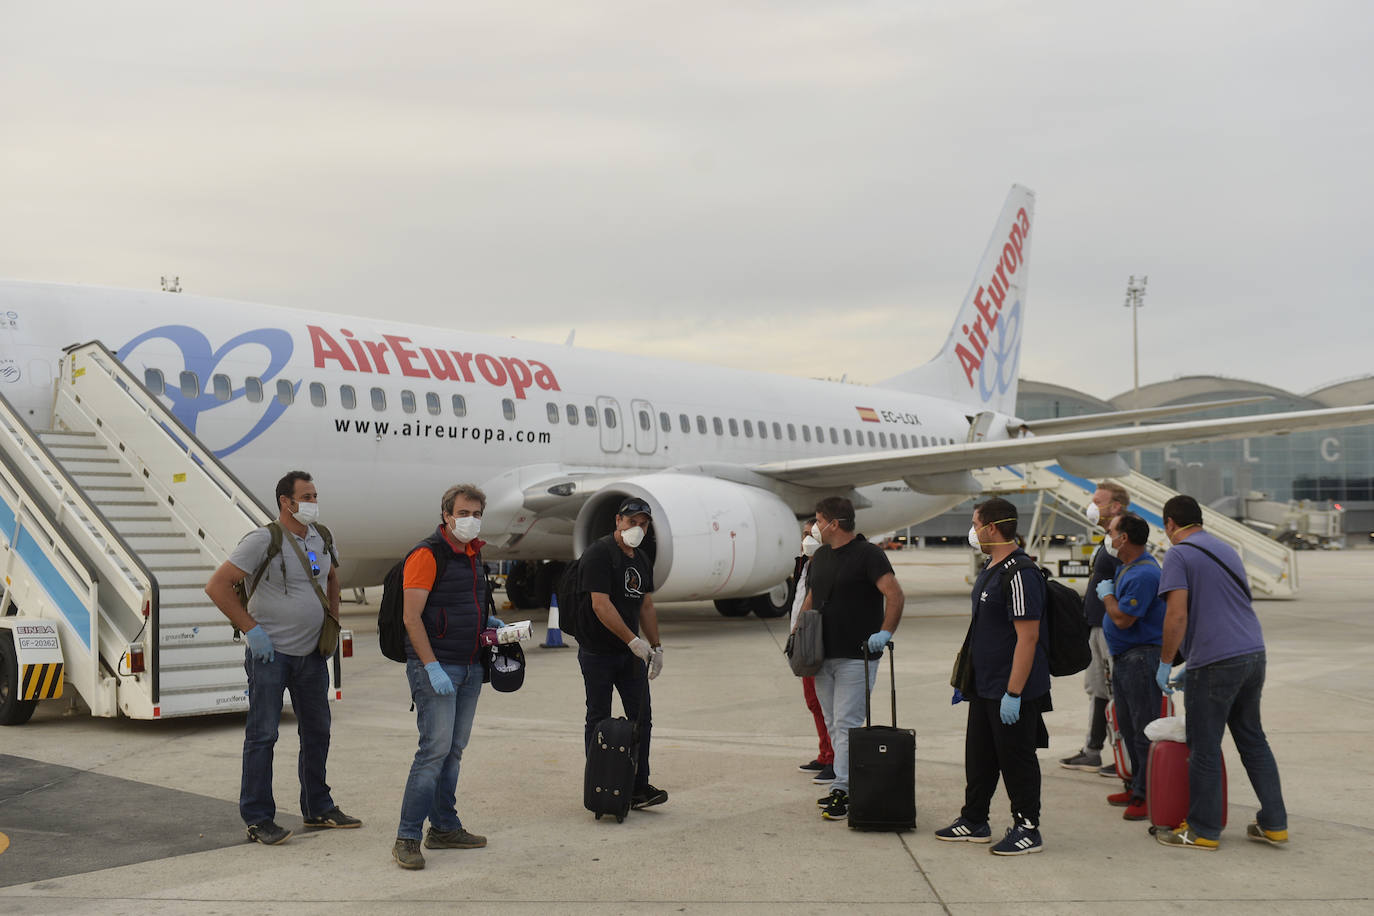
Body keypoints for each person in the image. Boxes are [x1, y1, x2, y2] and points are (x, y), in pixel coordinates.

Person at [205, 470, 360, 846]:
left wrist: (333, 622)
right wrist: (251, 629)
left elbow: (333, 581)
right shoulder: (262, 540)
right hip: (270, 656)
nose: (312, 502)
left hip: (312, 655)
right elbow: (217, 585)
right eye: (305, 497)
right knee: (263, 736)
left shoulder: (323, 537)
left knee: (318, 732)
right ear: (285, 502)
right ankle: (258, 818)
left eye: (314, 495)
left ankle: (318, 807)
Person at [1154, 495, 1288, 850]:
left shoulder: (1178, 554)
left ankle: (1203, 830)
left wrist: (1168, 662)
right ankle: (1275, 823)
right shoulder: (1226, 549)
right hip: (1252, 653)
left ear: (1170, 524)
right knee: (1253, 740)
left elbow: (1176, 615)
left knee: (1205, 747)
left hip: (1215, 662)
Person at [935, 497, 1050, 855]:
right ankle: (974, 819)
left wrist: (1014, 692)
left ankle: (1028, 827)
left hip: (1009, 689)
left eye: (975, 523)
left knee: (1016, 759)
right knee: (980, 756)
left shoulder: (1021, 573)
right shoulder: (992, 567)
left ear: (992, 528)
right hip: (984, 686)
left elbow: (1028, 637)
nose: (972, 530)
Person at [391, 484, 498, 870]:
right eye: (464, 513)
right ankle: (406, 836)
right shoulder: (426, 553)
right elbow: (410, 617)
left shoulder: (472, 555)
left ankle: (444, 827)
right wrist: (431, 666)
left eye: (476, 513)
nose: (471, 520)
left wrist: (491, 624)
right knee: (433, 752)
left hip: (470, 666)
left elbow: (463, 605)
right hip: (436, 667)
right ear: (447, 516)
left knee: (453, 751)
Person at [799, 496, 904, 821]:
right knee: (833, 722)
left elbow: (894, 594)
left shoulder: (869, 555)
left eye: (819, 520)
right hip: (822, 657)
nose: (815, 526)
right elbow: (813, 596)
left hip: (856, 657)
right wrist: (798, 634)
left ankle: (843, 789)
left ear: (835, 523)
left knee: (846, 724)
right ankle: (843, 783)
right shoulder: (821, 557)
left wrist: (885, 633)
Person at [577, 497, 668, 811]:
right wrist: (632, 641)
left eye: (643, 523)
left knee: (642, 719)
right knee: (598, 719)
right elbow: (600, 604)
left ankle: (638, 786)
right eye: (632, 522)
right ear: (618, 521)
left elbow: (645, 604)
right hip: (599, 653)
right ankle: (601, 784)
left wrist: (655, 647)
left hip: (632, 655)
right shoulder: (599, 554)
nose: (638, 528)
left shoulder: (641, 558)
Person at [1095, 512, 1166, 821]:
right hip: (1126, 659)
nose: (1108, 538)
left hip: (1140, 658)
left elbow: (1124, 619)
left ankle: (1147, 794)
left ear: (1123, 538)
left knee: (1143, 729)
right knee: (1128, 726)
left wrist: (1107, 596)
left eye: (1111, 532)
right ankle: (1136, 784)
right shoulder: (1129, 567)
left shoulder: (1143, 575)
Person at [1060, 482, 1129, 777]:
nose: (1092, 505)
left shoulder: (1123, 538)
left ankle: (1125, 755)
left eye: (1098, 501)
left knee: (1119, 691)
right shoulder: (1107, 539)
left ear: (1116, 506)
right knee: (1097, 689)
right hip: (1097, 625)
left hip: (1112, 627)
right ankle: (1093, 750)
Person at [791, 517, 835, 785]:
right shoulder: (805, 564)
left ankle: (833, 758)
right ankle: (825, 752)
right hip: (803, 641)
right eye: (804, 534)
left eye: (811, 534)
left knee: (824, 702)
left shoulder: (824, 566)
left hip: (814, 640)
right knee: (813, 701)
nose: (806, 539)